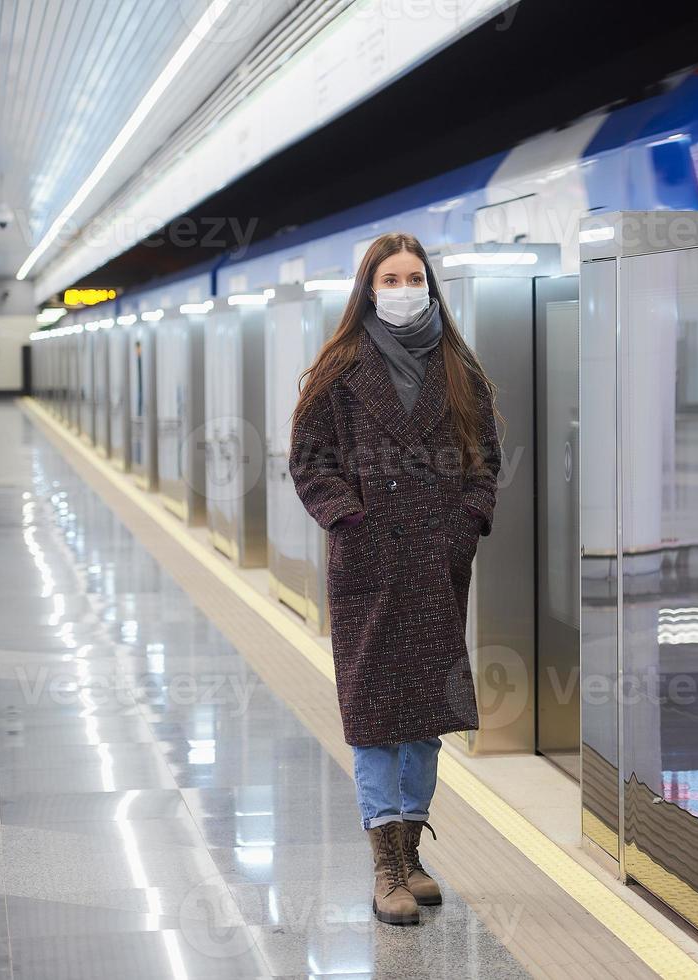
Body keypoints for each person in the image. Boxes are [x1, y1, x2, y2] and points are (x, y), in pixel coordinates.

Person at [289, 231, 502, 925]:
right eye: (392, 279)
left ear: (430, 287)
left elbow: (486, 461)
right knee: (376, 719)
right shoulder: (339, 370)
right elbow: (309, 462)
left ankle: (411, 852)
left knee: (426, 719)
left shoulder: (460, 369)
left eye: (415, 278)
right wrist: (349, 521)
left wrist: (468, 523)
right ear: (369, 289)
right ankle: (385, 865)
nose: (405, 290)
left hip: (436, 565)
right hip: (371, 566)